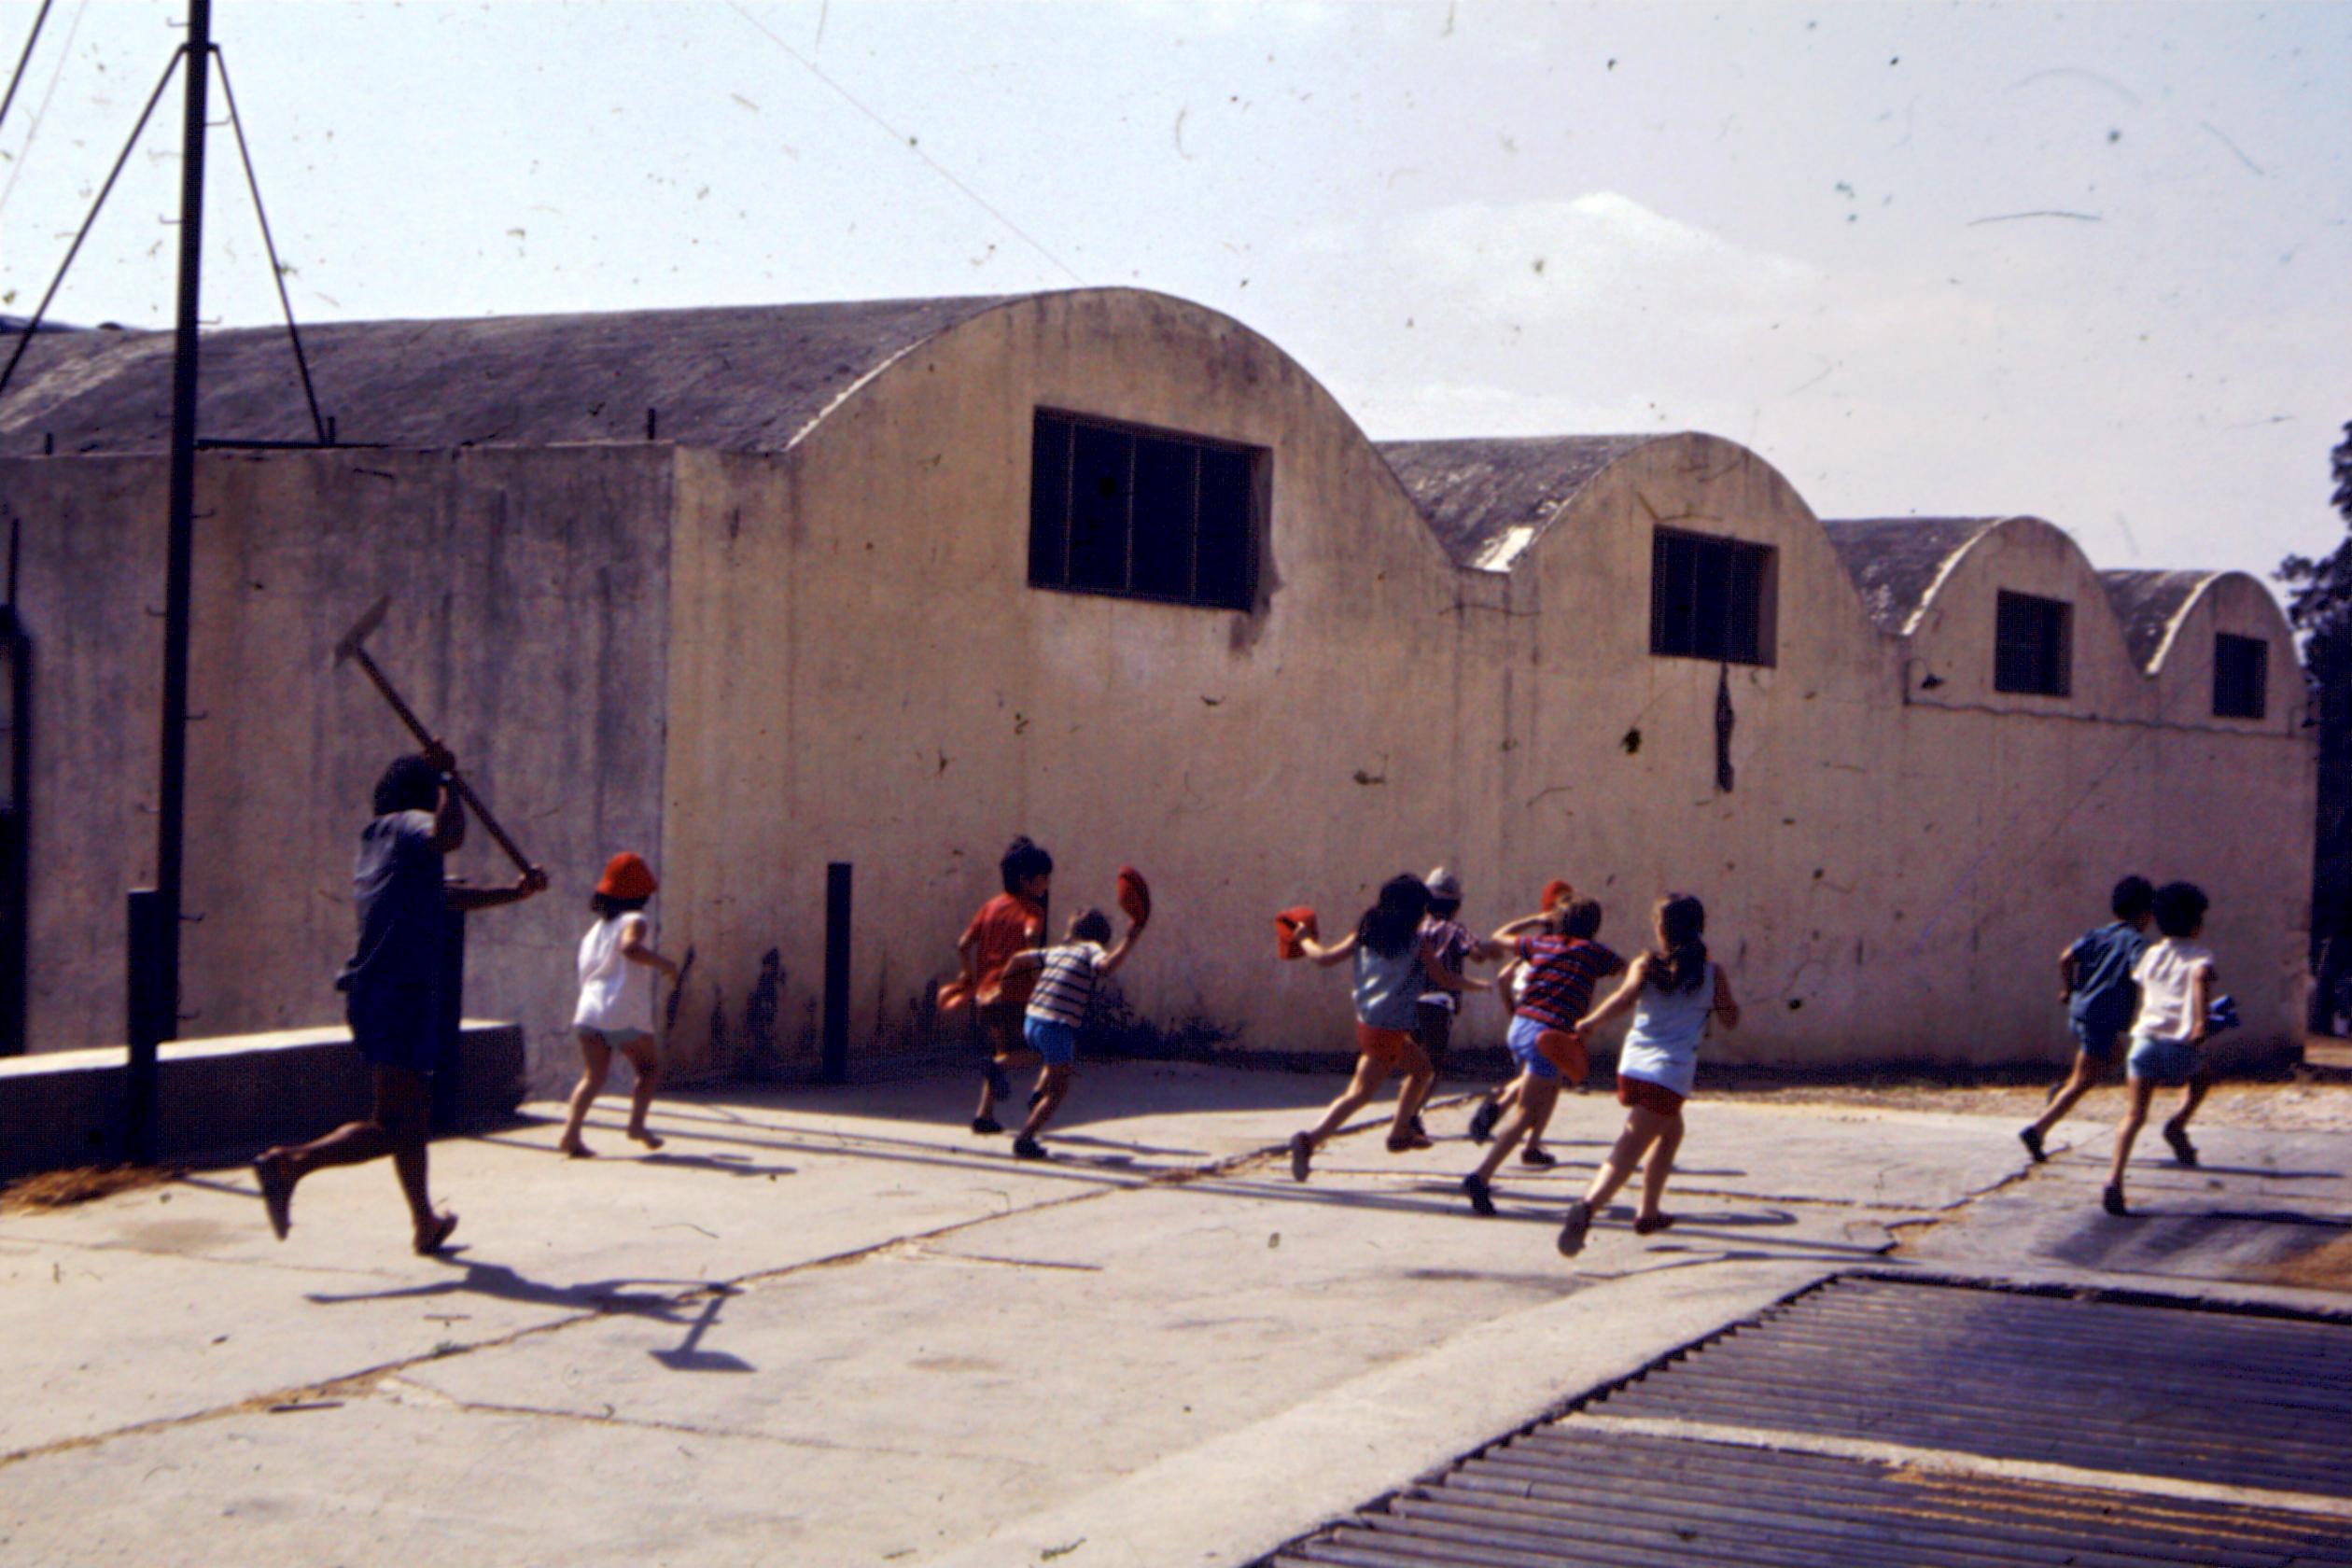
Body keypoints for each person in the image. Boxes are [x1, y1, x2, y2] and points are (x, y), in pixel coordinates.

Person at [253, 747, 547, 1254]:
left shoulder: (377, 841)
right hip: (400, 993)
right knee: (396, 1123)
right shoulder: (412, 825)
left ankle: (424, 1223)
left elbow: (445, 896)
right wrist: (451, 780)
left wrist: (513, 893)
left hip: (373, 993)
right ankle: (290, 1164)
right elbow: (449, 835)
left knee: (406, 1116)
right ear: (423, 795)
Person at [1556, 892, 1738, 1255]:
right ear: (1700, 928)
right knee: (1628, 1150)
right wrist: (1721, 1004)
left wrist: (1591, 1022)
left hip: (1632, 1069)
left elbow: (1623, 999)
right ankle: (1587, 1206)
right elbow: (1731, 1019)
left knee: (1671, 1132)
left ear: (1659, 929)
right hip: (1668, 1076)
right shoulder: (1711, 973)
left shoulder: (1644, 964)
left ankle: (1648, 1212)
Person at [1462, 897, 1624, 1216]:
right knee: (1526, 1114)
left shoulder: (1541, 943)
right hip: (1549, 1035)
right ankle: (1480, 1176)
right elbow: (1630, 972)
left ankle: (1499, 1107)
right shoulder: (1594, 953)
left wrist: (1536, 919)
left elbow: (1498, 936)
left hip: (1521, 1025)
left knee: (1543, 1087)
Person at [1288, 875, 1441, 1181]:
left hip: (1372, 1025)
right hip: (1387, 1030)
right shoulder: (1414, 943)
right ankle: (1309, 1141)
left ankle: (1400, 1132)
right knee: (1358, 1094)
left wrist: (1304, 939)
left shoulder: (1366, 933)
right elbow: (1440, 974)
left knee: (1422, 1069)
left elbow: (1325, 957)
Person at [2103, 881, 2219, 1216]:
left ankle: (2114, 1179)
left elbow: (2139, 983)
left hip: (2143, 1044)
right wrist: (2200, 1021)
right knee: (2202, 1078)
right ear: (2196, 923)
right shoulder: (2201, 956)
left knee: (2134, 1115)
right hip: (2179, 1046)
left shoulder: (2150, 955)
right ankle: (2178, 1123)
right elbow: (2199, 980)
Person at [2019, 875, 2153, 1162]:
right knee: (2083, 1080)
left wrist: (2068, 988)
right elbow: (2141, 973)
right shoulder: (2136, 942)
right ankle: (2037, 1130)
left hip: (2080, 1010)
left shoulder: (2096, 934)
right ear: (2144, 912)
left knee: (2114, 1056)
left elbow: (2066, 957)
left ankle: (2061, 1093)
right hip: (2102, 1017)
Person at [557, 851, 681, 1159]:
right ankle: (636, 1126)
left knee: (593, 1077)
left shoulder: (594, 931)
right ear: (642, 894)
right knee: (648, 1068)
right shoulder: (635, 919)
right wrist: (666, 964)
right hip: (622, 1010)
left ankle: (570, 1134)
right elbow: (631, 948)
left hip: (588, 1011)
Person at [996, 906, 1144, 1159]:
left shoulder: (1058, 950)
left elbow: (1018, 959)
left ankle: (1029, 1090)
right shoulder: (1090, 949)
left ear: (1073, 929)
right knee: (1059, 1088)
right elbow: (1106, 967)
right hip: (1057, 1025)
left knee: (1050, 1059)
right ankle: (1026, 1138)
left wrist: (1003, 987)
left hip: (1033, 1019)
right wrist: (1130, 939)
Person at [959, 836, 1052, 1135]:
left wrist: (967, 977)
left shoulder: (990, 907)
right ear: (1026, 881)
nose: (1047, 885)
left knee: (1001, 1053)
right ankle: (997, 1075)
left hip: (985, 995)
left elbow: (963, 944)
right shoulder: (1033, 912)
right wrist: (1041, 985)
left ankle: (984, 1115)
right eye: (1043, 879)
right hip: (1015, 994)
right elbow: (1029, 944)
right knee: (1044, 1052)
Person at [1410, 866, 1492, 1140]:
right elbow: (1478, 954)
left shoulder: (1416, 928)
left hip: (1409, 1003)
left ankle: (1409, 1113)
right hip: (1438, 1003)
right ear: (1456, 904)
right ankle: (1412, 1115)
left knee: (1415, 1061)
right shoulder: (1456, 930)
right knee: (1433, 1065)